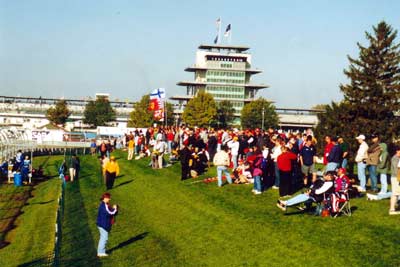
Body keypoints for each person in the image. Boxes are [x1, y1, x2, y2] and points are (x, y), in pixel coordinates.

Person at [96, 192, 118, 257]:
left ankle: (100, 252)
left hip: (101, 224)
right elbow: (110, 213)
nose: (109, 199)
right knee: (104, 238)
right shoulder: (104, 205)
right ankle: (101, 253)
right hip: (103, 224)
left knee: (102, 238)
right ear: (105, 198)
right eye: (108, 198)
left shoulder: (104, 204)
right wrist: (115, 208)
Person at [389, 146, 400, 215]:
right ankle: (392, 209)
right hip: (396, 178)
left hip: (397, 178)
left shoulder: (398, 158)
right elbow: (397, 170)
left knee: (397, 193)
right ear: (397, 151)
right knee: (395, 193)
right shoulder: (395, 158)